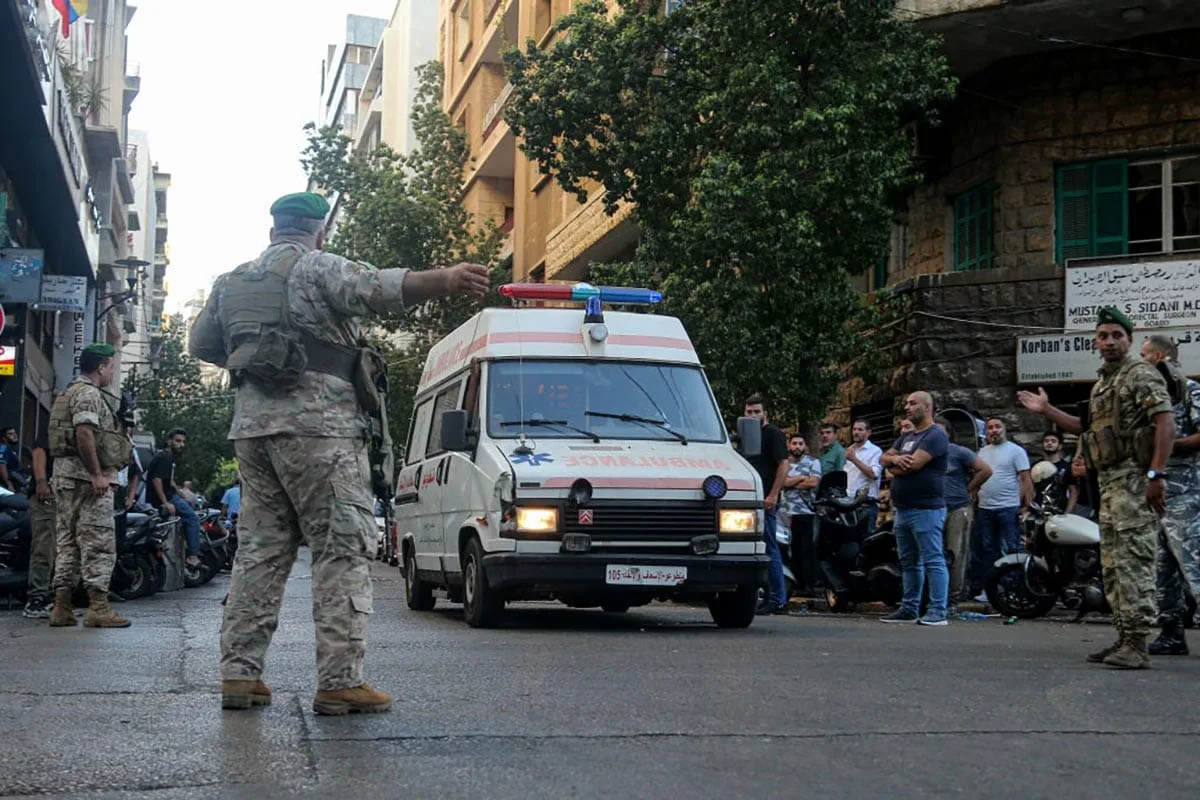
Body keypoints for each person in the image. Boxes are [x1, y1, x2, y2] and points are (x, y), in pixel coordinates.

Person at [191, 192, 490, 714]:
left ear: (272, 231)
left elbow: (202, 345)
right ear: (318, 232)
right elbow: (381, 289)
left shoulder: (232, 282)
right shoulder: (317, 268)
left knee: (260, 552)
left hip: (253, 433)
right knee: (341, 547)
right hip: (320, 432)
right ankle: (338, 681)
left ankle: (240, 676)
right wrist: (447, 277)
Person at [1017, 306, 1174, 669]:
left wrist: (1157, 475)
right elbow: (1083, 427)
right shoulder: (1104, 382)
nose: (1110, 342)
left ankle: (1137, 642)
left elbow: (1164, 423)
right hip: (1109, 485)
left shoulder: (1141, 375)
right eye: (1103, 336)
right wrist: (1045, 409)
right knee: (1114, 565)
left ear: (1129, 340)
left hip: (1135, 481)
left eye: (1117, 335)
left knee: (1133, 562)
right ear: (1095, 342)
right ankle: (1123, 637)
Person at [45, 342, 131, 629]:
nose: (112, 372)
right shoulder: (87, 393)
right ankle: (98, 607)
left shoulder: (68, 391)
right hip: (87, 480)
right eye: (111, 367)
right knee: (98, 543)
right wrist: (97, 474)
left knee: (67, 543)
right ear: (101, 367)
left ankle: (62, 606)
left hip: (66, 478)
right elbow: (84, 433)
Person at [1139, 335, 1200, 656]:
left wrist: (1165, 446)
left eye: (1145, 354)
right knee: (1162, 570)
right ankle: (1172, 632)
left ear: (1160, 357)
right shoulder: (1150, 396)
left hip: (1187, 495)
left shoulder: (1191, 390)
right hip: (1156, 497)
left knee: (1195, 565)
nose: (1140, 358)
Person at [879, 391, 951, 626]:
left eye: (912, 403)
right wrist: (895, 460)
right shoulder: (907, 436)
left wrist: (895, 463)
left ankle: (938, 610)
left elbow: (913, 465)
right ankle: (909, 608)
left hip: (926, 509)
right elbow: (884, 458)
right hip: (903, 509)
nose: (907, 407)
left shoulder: (935, 436)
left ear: (927, 407)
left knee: (933, 559)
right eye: (906, 403)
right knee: (909, 562)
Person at [971, 418, 1033, 603]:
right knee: (988, 549)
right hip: (985, 508)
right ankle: (989, 589)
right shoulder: (982, 452)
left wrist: (1026, 505)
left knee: (1011, 549)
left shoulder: (1016, 451)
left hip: (1008, 507)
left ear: (1005, 429)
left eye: (998, 427)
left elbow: (1026, 479)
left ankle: (1012, 587)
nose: (994, 430)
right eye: (990, 427)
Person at [936, 417, 992, 604]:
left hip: (957, 507)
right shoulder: (927, 453)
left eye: (941, 430)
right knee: (935, 553)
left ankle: (954, 596)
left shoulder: (959, 452)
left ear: (949, 433)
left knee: (956, 553)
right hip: (933, 507)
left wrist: (969, 488)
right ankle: (936, 595)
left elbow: (985, 470)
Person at [742, 395, 790, 614]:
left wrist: (772, 495)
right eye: (749, 412)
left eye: (756, 412)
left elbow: (783, 465)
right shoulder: (747, 436)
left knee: (770, 548)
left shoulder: (773, 434)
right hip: (751, 500)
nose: (752, 416)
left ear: (765, 414)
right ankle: (767, 595)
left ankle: (778, 599)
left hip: (766, 501)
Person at [145, 429, 203, 568]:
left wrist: (181, 494)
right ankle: (193, 556)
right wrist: (165, 502)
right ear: (169, 441)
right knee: (192, 519)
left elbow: (169, 480)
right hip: (166, 498)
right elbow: (157, 479)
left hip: (172, 496)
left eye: (183, 442)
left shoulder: (168, 457)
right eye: (178, 441)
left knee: (189, 511)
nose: (181, 444)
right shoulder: (164, 457)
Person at [781, 433, 822, 596]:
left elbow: (813, 482)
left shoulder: (814, 462)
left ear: (805, 446)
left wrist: (791, 482)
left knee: (805, 550)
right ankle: (794, 584)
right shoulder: (784, 464)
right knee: (790, 550)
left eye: (800, 443)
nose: (797, 446)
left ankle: (808, 585)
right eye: (794, 443)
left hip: (805, 512)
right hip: (785, 513)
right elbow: (782, 482)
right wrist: (801, 478)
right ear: (789, 446)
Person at [23, 427, 56, 618]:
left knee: (58, 548)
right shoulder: (53, 426)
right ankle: (37, 599)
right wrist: (41, 481)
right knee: (44, 545)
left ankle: (52, 599)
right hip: (46, 494)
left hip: (61, 494)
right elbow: (39, 451)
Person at [844, 418, 883, 533]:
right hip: (849, 505)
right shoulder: (849, 450)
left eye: (860, 429)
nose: (856, 432)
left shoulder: (875, 451)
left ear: (868, 432)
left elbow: (874, 474)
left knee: (866, 541)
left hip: (866, 505)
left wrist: (854, 459)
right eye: (854, 429)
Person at [1034, 431, 1071, 509]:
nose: (1049, 443)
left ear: (1060, 446)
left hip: (1059, 510)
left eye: (1053, 441)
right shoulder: (1035, 466)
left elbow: (1073, 491)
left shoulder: (1067, 467)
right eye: (1046, 441)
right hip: (1038, 509)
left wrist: (1068, 513)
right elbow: (1029, 488)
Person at [0, 426, 23, 491]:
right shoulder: (3, 448)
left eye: (14, 433)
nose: (14, 435)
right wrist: (9, 483)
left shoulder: (10, 449)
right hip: (6, 485)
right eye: (10, 434)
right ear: (3, 438)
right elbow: (2, 466)